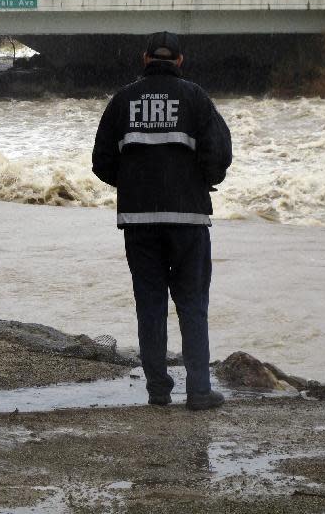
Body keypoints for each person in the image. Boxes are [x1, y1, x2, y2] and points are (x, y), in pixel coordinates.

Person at [92, 32, 232, 411]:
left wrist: (136, 181)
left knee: (150, 305)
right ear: (181, 61)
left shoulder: (123, 100)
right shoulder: (195, 98)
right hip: (188, 219)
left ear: (144, 58)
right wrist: (201, 181)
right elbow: (220, 153)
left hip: (139, 221)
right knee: (192, 304)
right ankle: (199, 392)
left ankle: (158, 391)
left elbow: (101, 162)